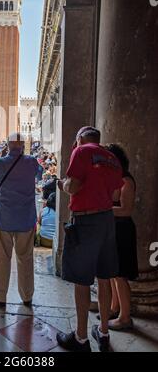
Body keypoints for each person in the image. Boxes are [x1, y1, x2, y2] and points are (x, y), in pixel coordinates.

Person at [56, 126, 123, 353]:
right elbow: (114, 193)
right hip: (107, 219)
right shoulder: (112, 157)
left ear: (80, 138)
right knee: (104, 278)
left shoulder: (82, 151)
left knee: (81, 279)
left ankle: (81, 338)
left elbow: (73, 187)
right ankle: (103, 333)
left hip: (86, 221)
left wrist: (62, 184)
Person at [0, 133, 43, 307]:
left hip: (6, 218)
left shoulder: (1, 163)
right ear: (23, 145)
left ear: (8, 145)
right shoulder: (32, 162)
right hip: (26, 218)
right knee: (25, 258)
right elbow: (39, 176)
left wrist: (2, 156)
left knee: (2, 257)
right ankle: (27, 296)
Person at [105, 144, 138, 331]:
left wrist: (102, 207)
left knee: (120, 275)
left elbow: (126, 210)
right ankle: (114, 308)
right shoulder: (116, 178)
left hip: (123, 230)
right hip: (114, 228)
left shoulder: (127, 181)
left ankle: (125, 317)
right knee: (113, 273)